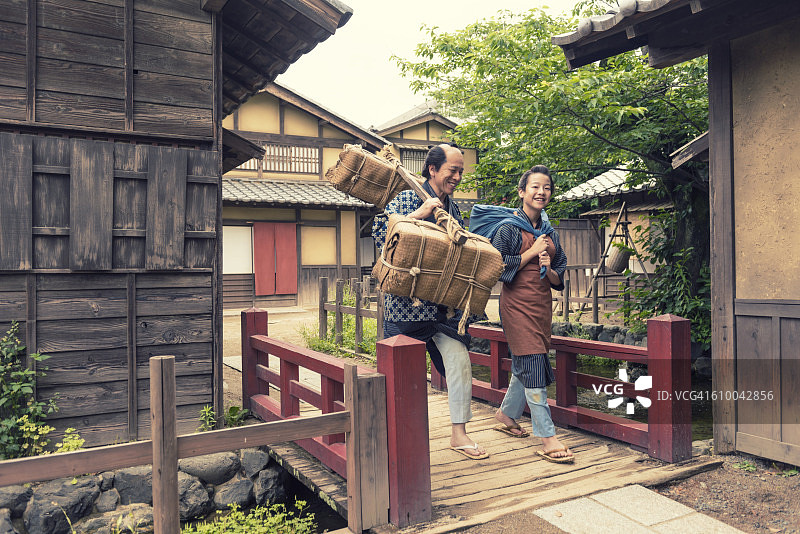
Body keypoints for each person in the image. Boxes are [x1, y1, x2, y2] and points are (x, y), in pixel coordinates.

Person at [372, 143, 488, 460]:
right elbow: (379, 233)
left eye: (462, 171)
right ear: (433, 169)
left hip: (442, 307)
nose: (458, 176)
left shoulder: (454, 208)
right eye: (453, 170)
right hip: (404, 307)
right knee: (398, 380)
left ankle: (459, 434)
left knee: (459, 362)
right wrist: (417, 215)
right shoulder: (407, 195)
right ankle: (395, 441)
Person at [488, 165, 574, 463]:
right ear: (522, 192)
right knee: (534, 363)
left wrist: (548, 265)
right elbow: (496, 267)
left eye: (547, 188)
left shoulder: (551, 234)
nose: (541, 192)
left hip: (540, 309)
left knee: (526, 361)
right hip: (516, 308)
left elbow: (558, 277)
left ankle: (506, 414)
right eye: (535, 187)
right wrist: (530, 251)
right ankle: (547, 436)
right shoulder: (508, 228)